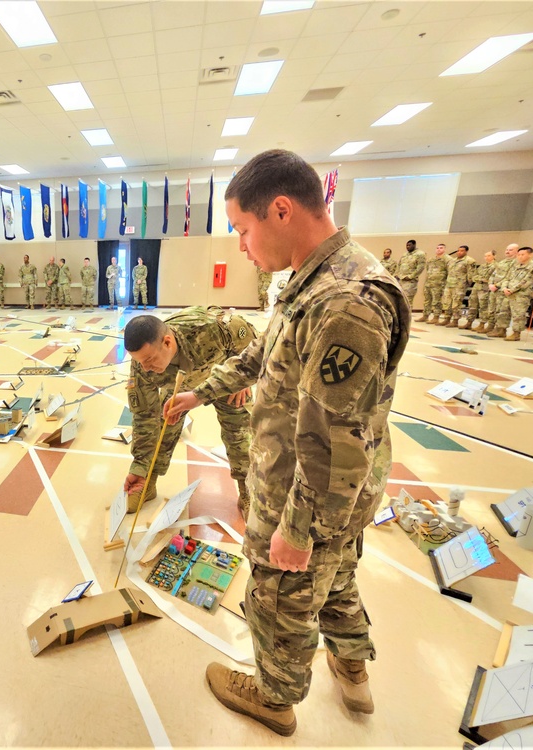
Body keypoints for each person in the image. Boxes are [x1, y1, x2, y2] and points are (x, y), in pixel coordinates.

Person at [165, 150, 409, 737]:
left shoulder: (344, 301)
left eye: (243, 230)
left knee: (282, 592)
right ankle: (352, 668)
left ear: (281, 210)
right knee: (338, 577)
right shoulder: (312, 279)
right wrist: (202, 392)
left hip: (310, 491)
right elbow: (262, 356)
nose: (242, 247)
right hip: (335, 495)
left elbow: (332, 441)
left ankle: (274, 696)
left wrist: (295, 530)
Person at [123, 308, 254, 514]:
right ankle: (147, 481)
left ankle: (247, 491)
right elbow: (143, 416)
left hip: (223, 381)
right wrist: (139, 467)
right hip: (181, 387)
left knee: (239, 434)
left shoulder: (208, 330)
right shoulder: (142, 364)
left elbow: (249, 337)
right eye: (140, 362)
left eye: (149, 360)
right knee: (162, 425)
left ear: (167, 342)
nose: (145, 368)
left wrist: (244, 373)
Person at [488, 246, 533, 341]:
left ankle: (516, 333)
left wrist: (511, 290)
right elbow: (507, 278)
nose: (520, 257)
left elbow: (526, 281)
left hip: (521, 294)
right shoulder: (515, 265)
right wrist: (504, 288)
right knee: (503, 312)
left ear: (529, 255)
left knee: (518, 315)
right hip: (507, 292)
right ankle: (501, 330)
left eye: (523, 254)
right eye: (519, 255)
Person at [436, 245, 477, 327]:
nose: (459, 252)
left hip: (459, 286)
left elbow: (471, 275)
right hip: (449, 284)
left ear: (466, 251)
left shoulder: (469, 261)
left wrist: (465, 284)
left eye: (462, 251)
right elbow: (448, 271)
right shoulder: (452, 260)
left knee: (456, 304)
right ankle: (447, 318)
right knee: (447, 302)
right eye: (458, 250)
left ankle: (455, 320)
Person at [461, 251, 496, 330]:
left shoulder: (495, 266)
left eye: (489, 256)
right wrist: (480, 279)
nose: (487, 258)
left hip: (485, 289)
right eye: (485, 256)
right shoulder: (482, 266)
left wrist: (481, 279)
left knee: (483, 306)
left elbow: (489, 278)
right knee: (472, 305)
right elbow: (474, 276)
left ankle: (482, 324)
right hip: (476, 287)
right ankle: (469, 322)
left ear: (494, 256)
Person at [418, 244, 448, 323]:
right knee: (427, 300)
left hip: (439, 284)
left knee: (436, 301)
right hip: (429, 283)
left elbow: (449, 272)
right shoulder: (431, 260)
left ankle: (436, 317)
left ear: (444, 249)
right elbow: (428, 271)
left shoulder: (447, 259)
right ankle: (425, 316)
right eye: (437, 248)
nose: (439, 249)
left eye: (441, 248)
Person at [395, 239, 424, 310]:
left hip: (410, 281)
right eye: (407, 245)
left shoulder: (420, 254)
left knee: (408, 300)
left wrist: (411, 276)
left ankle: (407, 319)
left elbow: (420, 267)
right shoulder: (405, 254)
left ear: (414, 245)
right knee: (400, 299)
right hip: (401, 280)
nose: (407, 247)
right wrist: (397, 274)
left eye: (409, 245)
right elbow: (399, 265)